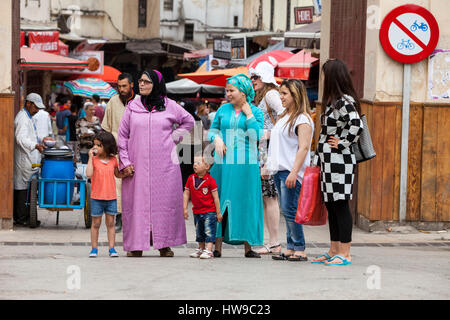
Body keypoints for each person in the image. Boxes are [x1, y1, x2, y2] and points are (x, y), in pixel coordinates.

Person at [117, 69, 194, 258]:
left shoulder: (170, 106)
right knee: (137, 205)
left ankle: (164, 245)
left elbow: (189, 121)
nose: (141, 84)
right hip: (137, 166)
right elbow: (122, 136)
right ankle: (136, 245)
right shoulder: (132, 107)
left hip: (165, 166)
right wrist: (125, 161)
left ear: (156, 85)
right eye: (140, 81)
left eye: (146, 81)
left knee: (165, 204)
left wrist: (172, 139)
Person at [311, 59, 363, 266]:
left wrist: (341, 143)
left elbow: (356, 125)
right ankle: (334, 249)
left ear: (332, 76)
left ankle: (345, 252)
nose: (323, 78)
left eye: (325, 74)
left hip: (340, 161)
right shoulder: (334, 101)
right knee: (332, 206)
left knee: (340, 204)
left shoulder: (343, 101)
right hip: (329, 161)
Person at [208, 74, 264, 258]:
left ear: (243, 92)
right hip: (222, 163)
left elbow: (256, 135)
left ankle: (249, 247)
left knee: (245, 200)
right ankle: (217, 247)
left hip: (245, 164)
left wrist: (248, 114)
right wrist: (216, 138)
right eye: (227, 90)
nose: (228, 94)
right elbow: (213, 129)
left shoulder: (255, 112)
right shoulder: (223, 110)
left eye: (232, 90)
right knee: (220, 199)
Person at [264, 79, 314, 262]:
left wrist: (294, 172)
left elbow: (303, 148)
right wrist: (269, 166)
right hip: (279, 170)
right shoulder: (284, 116)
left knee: (290, 209)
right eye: (280, 93)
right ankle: (290, 247)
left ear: (295, 95)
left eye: (284, 93)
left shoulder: (303, 119)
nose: (281, 97)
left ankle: (299, 247)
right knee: (287, 209)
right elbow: (276, 145)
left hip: (291, 171)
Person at [249, 61, 285, 255]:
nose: (252, 80)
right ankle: (272, 242)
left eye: (256, 77)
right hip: (265, 152)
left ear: (265, 78)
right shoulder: (264, 96)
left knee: (270, 197)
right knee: (267, 197)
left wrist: (269, 133)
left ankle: (274, 242)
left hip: (270, 152)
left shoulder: (271, 94)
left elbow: (285, 114)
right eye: (252, 77)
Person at [102, 73, 137, 233]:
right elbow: (106, 129)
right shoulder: (112, 102)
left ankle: (135, 219)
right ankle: (118, 219)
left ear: (131, 86)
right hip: (116, 151)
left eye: (124, 86)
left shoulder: (140, 102)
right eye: (119, 86)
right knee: (117, 186)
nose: (121, 89)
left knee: (135, 186)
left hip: (136, 151)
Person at [86, 131, 125, 258]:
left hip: (111, 197)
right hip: (97, 197)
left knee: (111, 223)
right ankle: (94, 249)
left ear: (107, 146)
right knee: (95, 224)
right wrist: (90, 158)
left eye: (99, 145)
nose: (95, 148)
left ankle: (112, 248)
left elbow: (117, 174)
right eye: (94, 145)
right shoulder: (94, 160)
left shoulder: (113, 160)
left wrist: (127, 174)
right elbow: (89, 174)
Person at [13, 93, 47, 227]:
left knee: (27, 188)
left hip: (28, 158)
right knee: (22, 188)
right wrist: (35, 145)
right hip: (23, 160)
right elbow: (20, 139)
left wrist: (39, 142)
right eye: (35, 107)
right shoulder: (22, 118)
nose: (37, 110)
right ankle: (21, 218)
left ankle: (26, 216)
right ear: (28, 104)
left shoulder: (28, 117)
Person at [183, 155, 223, 259]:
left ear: (207, 166)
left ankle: (209, 250)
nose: (194, 165)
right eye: (194, 163)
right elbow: (186, 193)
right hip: (197, 211)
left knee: (209, 230)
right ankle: (200, 249)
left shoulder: (210, 180)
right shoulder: (190, 178)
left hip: (209, 211)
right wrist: (185, 208)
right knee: (199, 231)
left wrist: (218, 213)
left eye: (198, 163)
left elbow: (216, 198)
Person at [178, 100, 204, 188]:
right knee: (194, 169)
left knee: (184, 170)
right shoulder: (199, 119)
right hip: (196, 147)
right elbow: (201, 135)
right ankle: (193, 189)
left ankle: (185, 189)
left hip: (185, 146)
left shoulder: (184, 119)